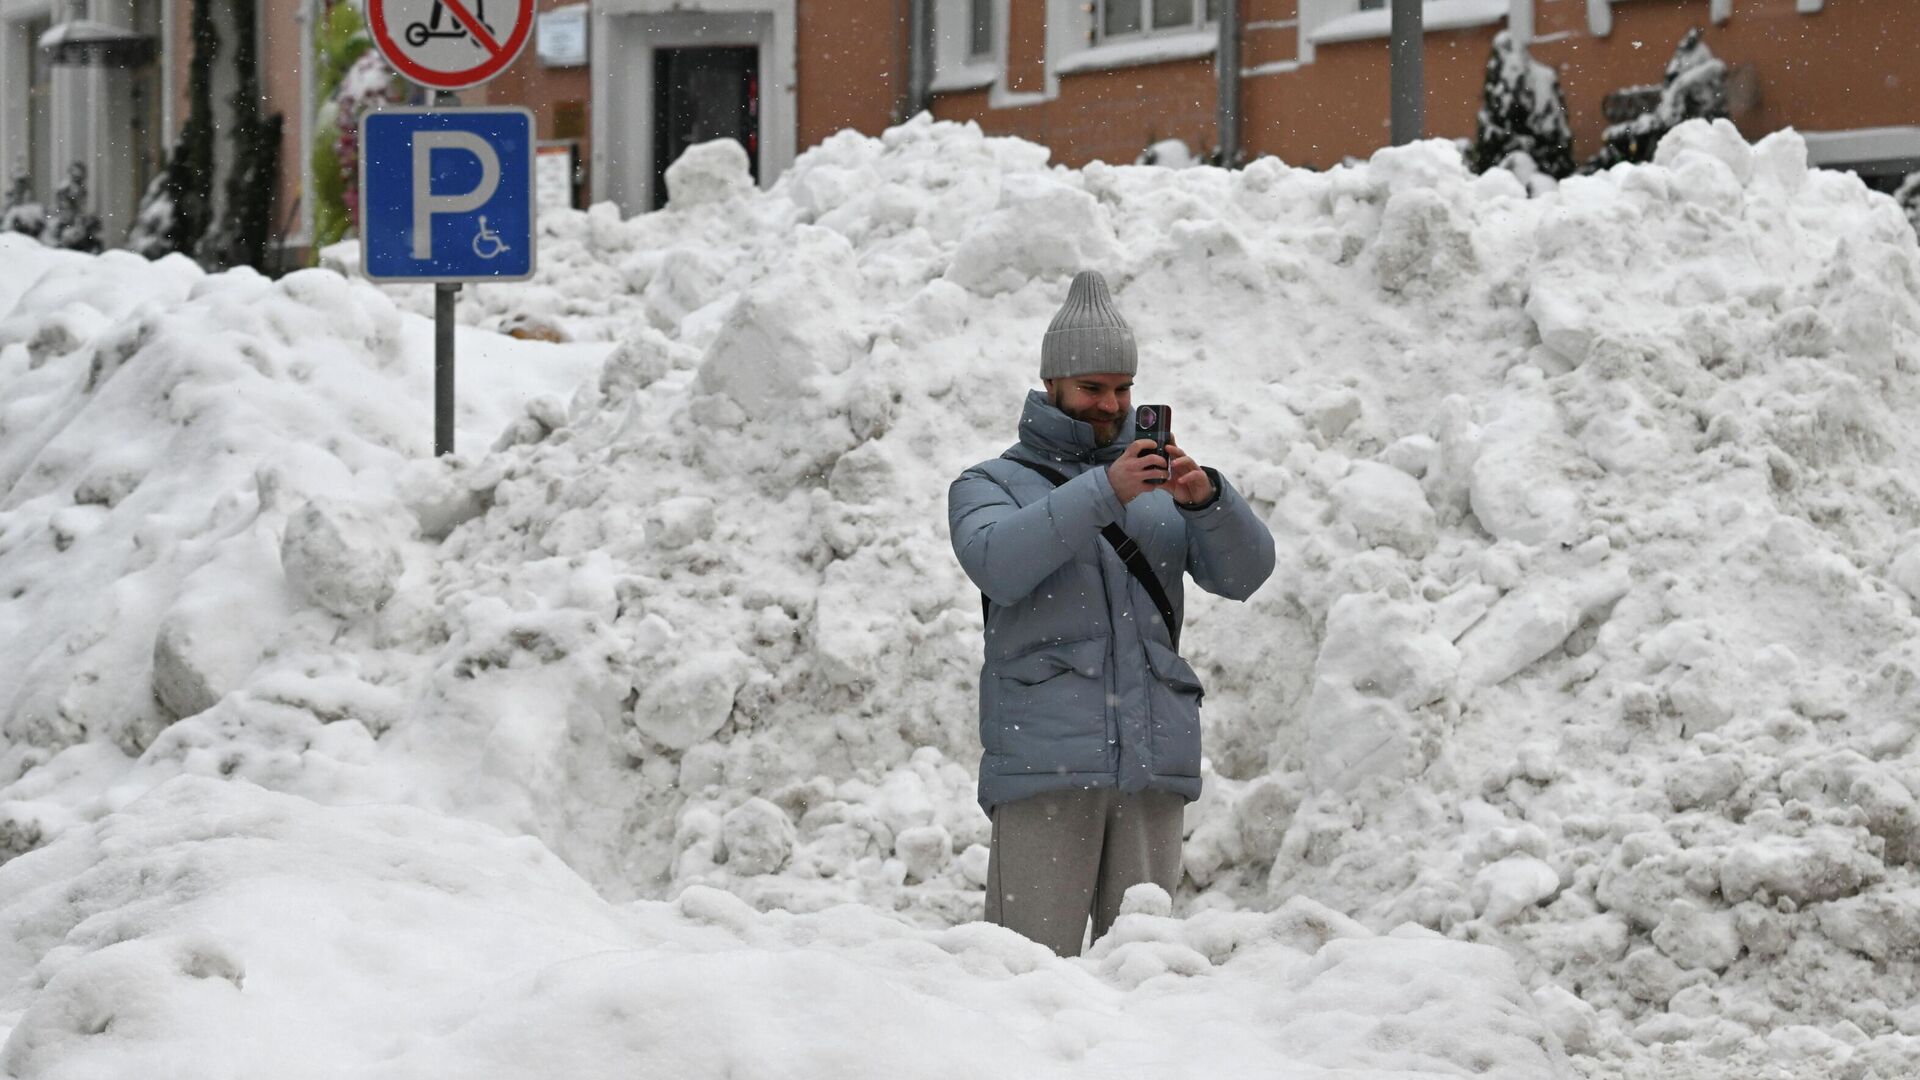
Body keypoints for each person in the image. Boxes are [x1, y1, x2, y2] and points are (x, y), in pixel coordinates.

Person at [947, 269, 1276, 956]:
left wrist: (1208, 500)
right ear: (1052, 386)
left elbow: (1246, 575)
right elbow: (998, 563)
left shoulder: (1159, 488)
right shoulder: (988, 484)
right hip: (1044, 763)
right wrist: (1104, 489)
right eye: (1092, 388)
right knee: (1024, 972)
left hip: (1152, 763)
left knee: (1150, 975)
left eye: (1122, 389)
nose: (1110, 403)